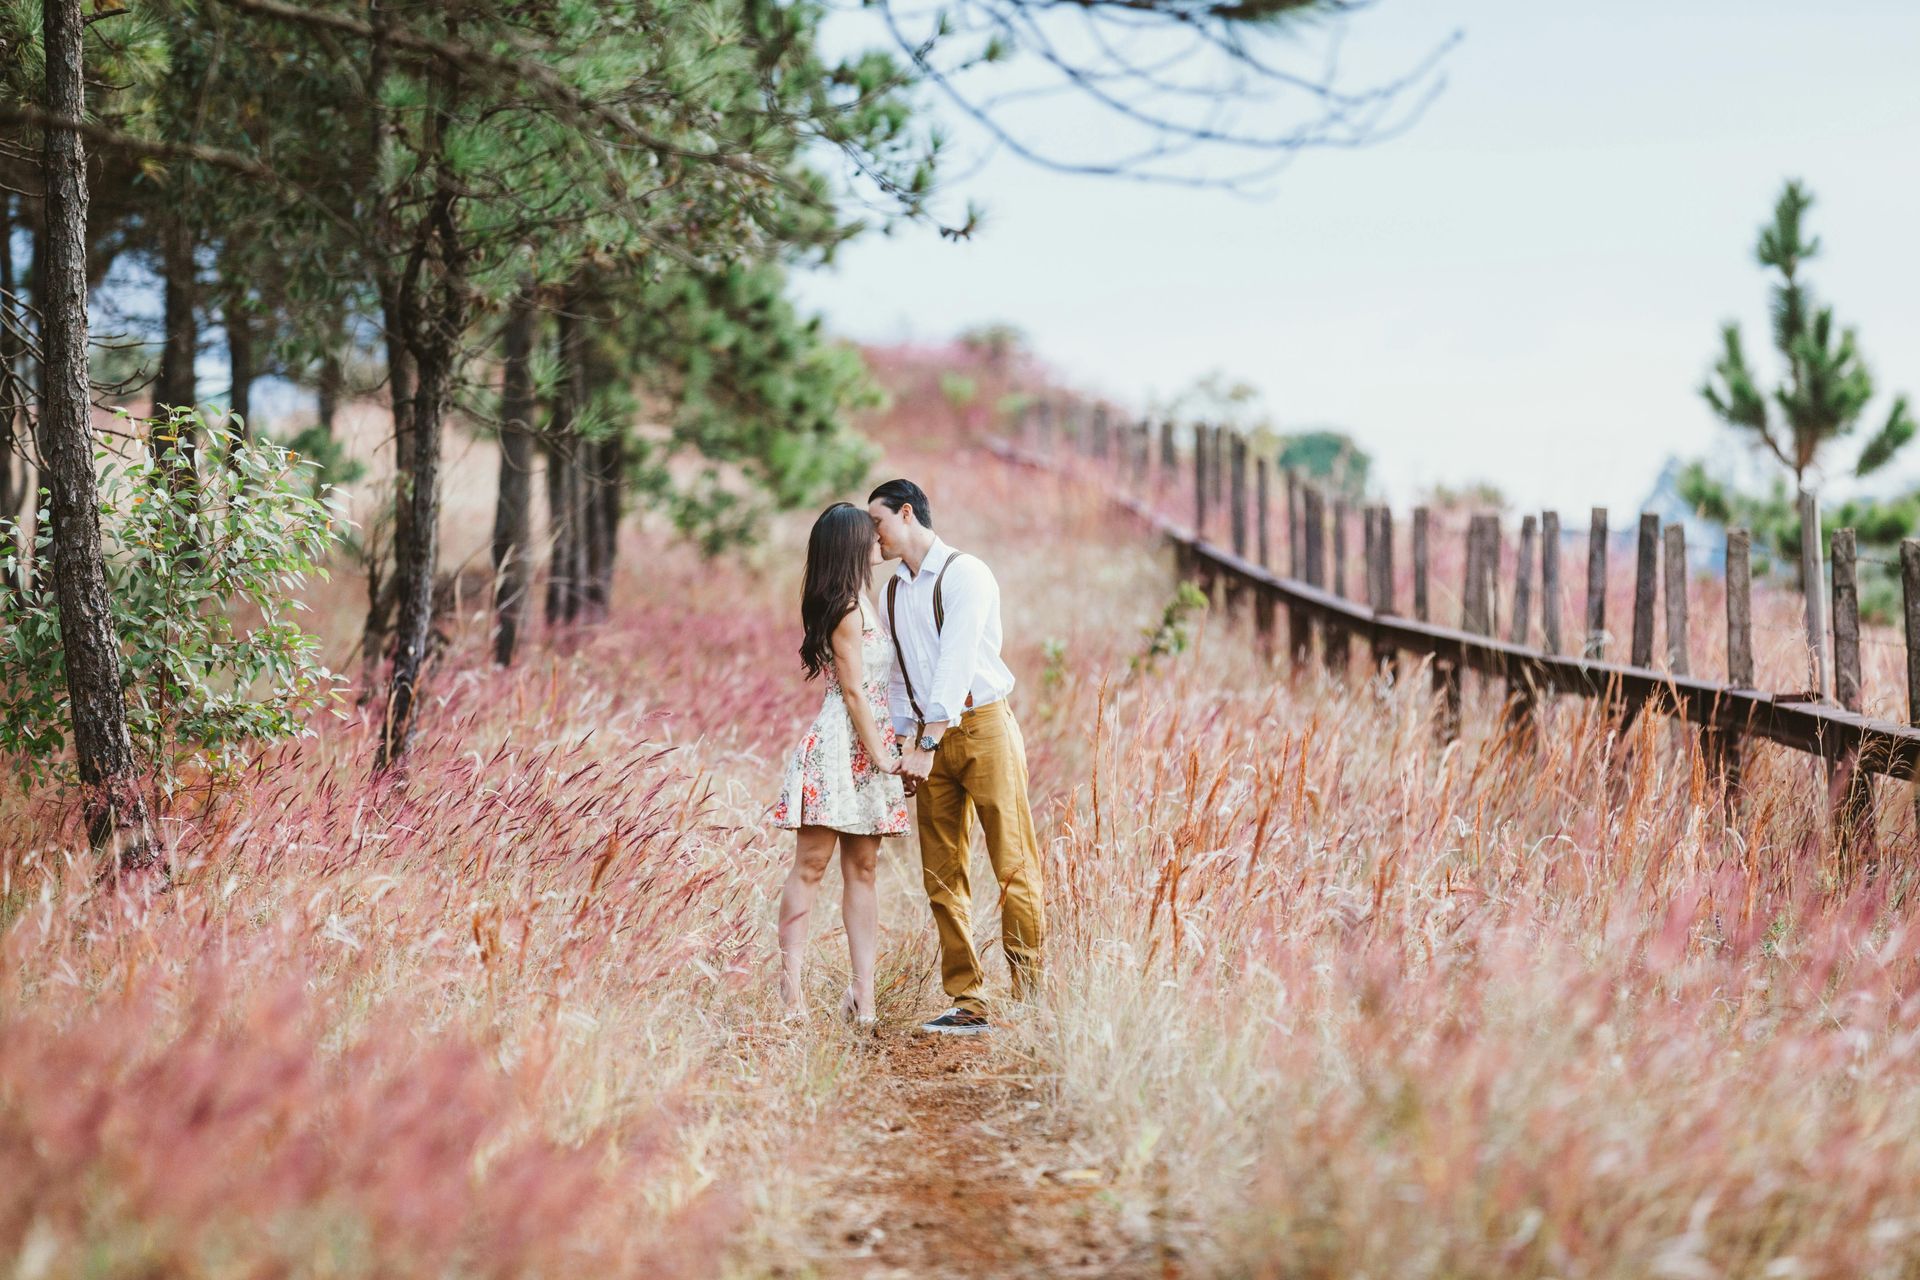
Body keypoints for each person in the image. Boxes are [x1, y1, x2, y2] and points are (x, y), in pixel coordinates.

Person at [867, 479, 1045, 1036]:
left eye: (878, 523)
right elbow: (897, 676)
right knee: (941, 872)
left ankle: (1031, 998)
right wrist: (904, 744)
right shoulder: (892, 591)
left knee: (1012, 863)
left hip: (983, 727)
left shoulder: (966, 573)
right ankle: (969, 1002)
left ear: (906, 513)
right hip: (926, 742)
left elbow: (957, 661)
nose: (873, 536)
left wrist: (926, 743)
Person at [770, 502, 910, 1025]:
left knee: (864, 870)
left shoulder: (866, 601)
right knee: (810, 866)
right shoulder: (846, 608)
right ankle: (792, 998)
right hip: (840, 746)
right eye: (867, 532)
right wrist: (881, 757)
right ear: (850, 546)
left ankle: (863, 995)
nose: (877, 538)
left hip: (869, 743)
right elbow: (852, 690)